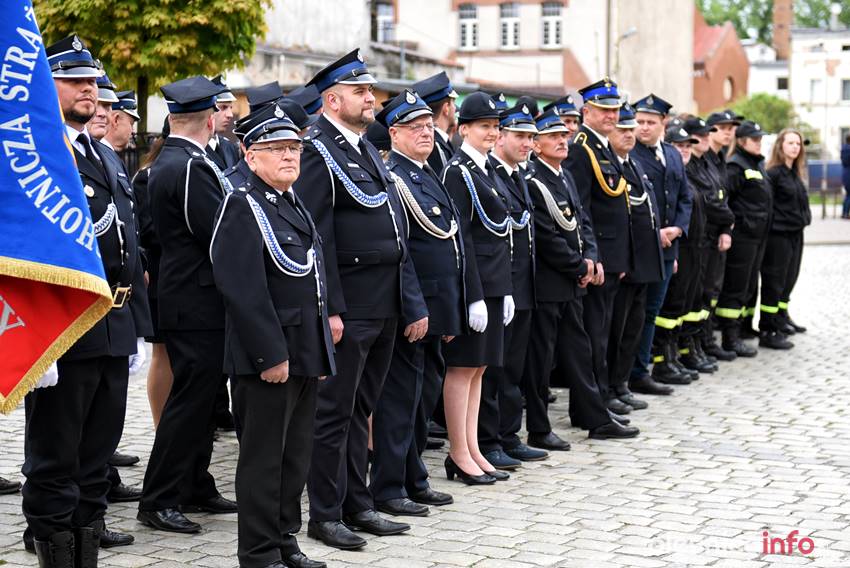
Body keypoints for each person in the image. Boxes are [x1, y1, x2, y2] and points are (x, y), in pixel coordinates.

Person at [24, 35, 151, 567]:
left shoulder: (103, 154)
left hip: (113, 324)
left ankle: (86, 552)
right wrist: (39, 341)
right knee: (56, 459)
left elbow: (128, 243)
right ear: (44, 85)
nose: (89, 90)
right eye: (74, 80)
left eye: (93, 81)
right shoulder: (33, 155)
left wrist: (138, 326)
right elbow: (24, 248)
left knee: (96, 460)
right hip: (64, 327)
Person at [295, 49, 426, 551]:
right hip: (351, 305)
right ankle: (325, 514)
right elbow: (317, 236)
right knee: (333, 413)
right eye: (360, 91)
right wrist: (329, 307)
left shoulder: (365, 147)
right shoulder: (317, 150)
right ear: (332, 99)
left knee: (361, 408)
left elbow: (396, 230)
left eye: (370, 90)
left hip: (384, 301)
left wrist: (410, 300)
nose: (370, 98)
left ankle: (358, 503)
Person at [211, 103, 332, 568]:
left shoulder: (289, 201)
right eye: (276, 148)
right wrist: (270, 355)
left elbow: (313, 283)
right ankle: (259, 553)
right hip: (268, 357)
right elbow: (243, 290)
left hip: (303, 350)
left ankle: (285, 541)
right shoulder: (243, 204)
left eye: (294, 148)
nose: (288, 156)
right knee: (263, 461)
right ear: (250, 154)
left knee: (294, 457)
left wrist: (320, 352)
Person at [138, 76, 238, 535]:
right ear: (210, 120)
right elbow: (218, 232)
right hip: (196, 301)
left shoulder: (174, 160)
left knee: (200, 402)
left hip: (189, 297)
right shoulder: (191, 166)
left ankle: (195, 483)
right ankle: (158, 498)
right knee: (190, 403)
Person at [369, 90, 462, 517]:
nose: (425, 133)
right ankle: (388, 487)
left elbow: (449, 246)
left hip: (437, 304)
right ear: (394, 134)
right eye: (414, 128)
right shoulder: (395, 179)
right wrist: (414, 307)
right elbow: (401, 250)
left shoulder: (426, 173)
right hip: (414, 307)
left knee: (422, 399)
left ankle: (414, 477)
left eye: (428, 126)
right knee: (399, 401)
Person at [525, 109, 639, 441]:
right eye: (553, 137)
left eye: (564, 136)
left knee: (580, 352)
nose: (563, 141)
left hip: (573, 281)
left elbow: (582, 220)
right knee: (541, 359)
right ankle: (539, 428)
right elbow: (547, 236)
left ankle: (595, 419)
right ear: (536, 145)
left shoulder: (563, 176)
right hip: (550, 282)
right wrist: (579, 266)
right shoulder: (534, 181)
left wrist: (590, 256)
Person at [440, 92, 513, 485]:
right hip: (475, 287)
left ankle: (472, 447)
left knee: (479, 368)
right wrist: (473, 296)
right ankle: (458, 452)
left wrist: (505, 290)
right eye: (484, 126)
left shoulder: (486, 169)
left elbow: (500, 235)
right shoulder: (458, 171)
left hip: (494, 283)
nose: (492, 132)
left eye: (495, 126)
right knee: (462, 367)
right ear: (463, 128)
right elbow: (462, 238)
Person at [479, 103, 546, 466]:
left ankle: (508, 435)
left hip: (521, 285)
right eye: (520, 136)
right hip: (500, 285)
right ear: (500, 136)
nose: (527, 144)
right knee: (493, 372)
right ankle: (489, 441)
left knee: (513, 369)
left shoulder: (518, 174)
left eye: (531, 138)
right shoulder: (489, 173)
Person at [564, 78, 635, 416]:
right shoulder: (582, 148)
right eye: (603, 110)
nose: (611, 116)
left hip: (612, 256)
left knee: (604, 331)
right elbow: (580, 208)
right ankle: (591, 404)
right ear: (586, 111)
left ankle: (602, 396)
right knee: (594, 334)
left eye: (615, 110)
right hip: (598, 258)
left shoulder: (603, 147)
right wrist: (591, 255)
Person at [630, 93, 694, 389]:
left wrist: (678, 229)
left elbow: (684, 197)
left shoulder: (671, 154)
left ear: (663, 123)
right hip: (643, 247)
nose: (643, 127)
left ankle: (641, 369)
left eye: (650, 122)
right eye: (640, 121)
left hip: (669, 246)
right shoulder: (631, 153)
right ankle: (632, 373)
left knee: (653, 310)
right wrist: (655, 232)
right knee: (636, 313)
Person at [606, 104, 669, 402]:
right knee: (615, 330)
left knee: (633, 327)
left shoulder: (633, 164)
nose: (630, 135)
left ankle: (622, 383)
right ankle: (611, 386)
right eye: (623, 129)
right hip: (624, 263)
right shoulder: (610, 165)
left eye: (631, 130)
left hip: (642, 261)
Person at [649, 122, 714, 384]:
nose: (685, 150)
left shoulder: (685, 175)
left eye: (688, 146)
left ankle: (674, 355)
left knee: (684, 305)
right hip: (678, 248)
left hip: (693, 248)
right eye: (679, 145)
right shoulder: (672, 176)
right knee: (670, 306)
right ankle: (662, 360)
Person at [715, 120, 771, 357]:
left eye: (760, 139)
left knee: (748, 286)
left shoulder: (756, 163)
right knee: (735, 288)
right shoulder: (736, 166)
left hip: (757, 237)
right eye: (755, 140)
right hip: (742, 237)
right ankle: (730, 338)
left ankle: (743, 329)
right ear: (742, 141)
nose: (759, 143)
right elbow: (726, 200)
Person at [133, 119, 173, 429]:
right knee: (163, 353)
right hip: (160, 275)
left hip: (182, 276)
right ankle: (162, 427)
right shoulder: (147, 176)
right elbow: (147, 230)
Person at [761, 128, 812, 347]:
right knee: (774, 281)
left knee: (789, 279)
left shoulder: (795, 173)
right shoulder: (773, 173)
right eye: (790, 143)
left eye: (798, 144)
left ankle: (781, 318)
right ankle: (768, 328)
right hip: (778, 235)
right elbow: (768, 206)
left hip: (795, 233)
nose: (795, 147)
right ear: (780, 146)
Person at [699, 111, 741, 361]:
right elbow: (709, 200)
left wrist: (726, 229)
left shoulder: (720, 158)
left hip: (718, 233)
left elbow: (724, 198)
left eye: (731, 128)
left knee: (713, 290)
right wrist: (730, 220)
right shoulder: (704, 158)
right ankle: (702, 342)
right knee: (703, 292)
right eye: (721, 128)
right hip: (705, 233)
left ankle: (706, 340)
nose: (727, 132)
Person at [413, 72, 459, 173]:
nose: (455, 108)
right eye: (453, 103)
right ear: (446, 108)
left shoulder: (440, 142)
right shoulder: (433, 145)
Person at [842, 134, 850, 219]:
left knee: (848, 195)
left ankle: (844, 213)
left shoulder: (843, 148)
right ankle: (846, 214)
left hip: (845, 173)